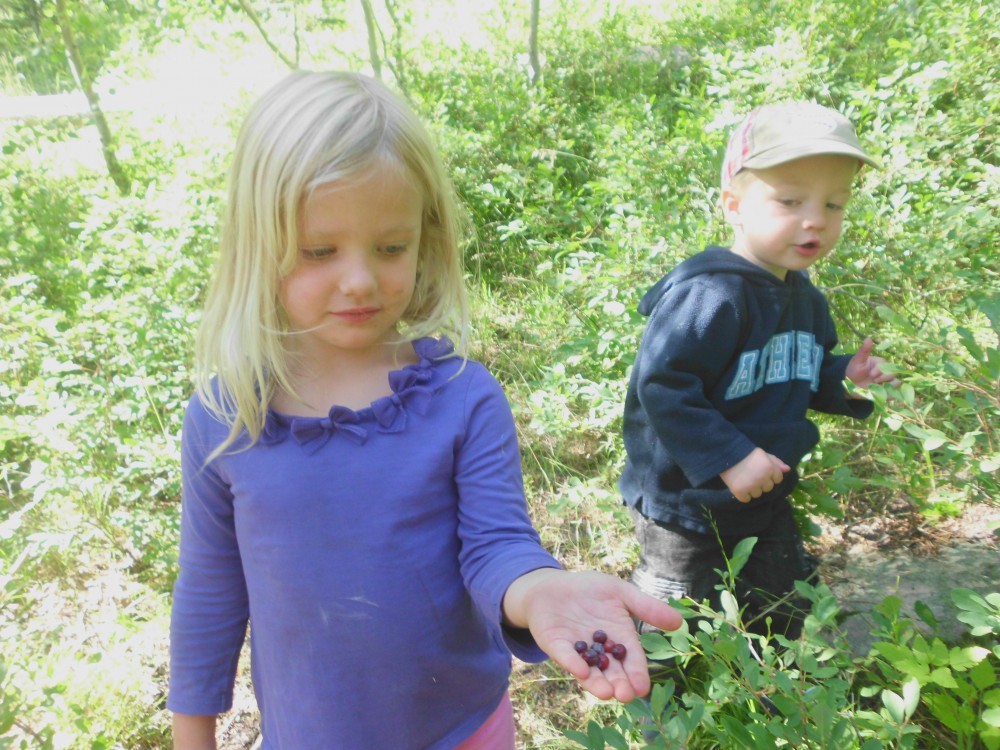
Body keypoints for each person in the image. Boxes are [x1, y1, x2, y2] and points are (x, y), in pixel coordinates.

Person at [168, 70, 682, 750]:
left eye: (390, 247)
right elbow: (209, 595)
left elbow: (496, 546)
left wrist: (543, 591)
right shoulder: (225, 420)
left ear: (425, 239)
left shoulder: (463, 400)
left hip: (463, 731)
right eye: (320, 250)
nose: (360, 279)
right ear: (259, 245)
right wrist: (192, 737)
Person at [620, 102, 900, 650]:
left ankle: (776, 680)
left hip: (765, 492)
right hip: (687, 500)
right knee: (672, 607)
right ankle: (652, 694)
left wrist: (844, 372)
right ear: (734, 204)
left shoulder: (806, 300)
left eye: (834, 202)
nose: (814, 218)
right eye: (790, 200)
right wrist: (729, 457)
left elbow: (799, 366)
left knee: (782, 601)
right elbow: (663, 385)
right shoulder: (710, 294)